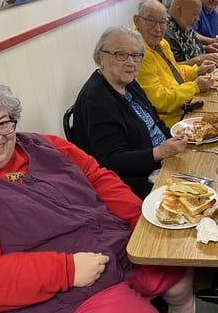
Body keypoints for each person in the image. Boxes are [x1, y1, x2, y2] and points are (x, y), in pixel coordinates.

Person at [0, 77, 218, 313]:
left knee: (175, 252)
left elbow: (99, 177)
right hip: (62, 294)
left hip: (114, 243)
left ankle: (183, 311)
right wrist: (66, 270)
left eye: (3, 124)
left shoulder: (45, 144)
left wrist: (140, 221)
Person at [73, 26, 188, 200]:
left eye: (136, 56)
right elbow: (112, 161)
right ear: (101, 57)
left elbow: (156, 122)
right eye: (121, 55)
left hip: (163, 161)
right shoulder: (95, 100)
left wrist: (176, 137)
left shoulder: (129, 83)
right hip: (133, 181)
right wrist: (158, 153)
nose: (130, 63)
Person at [134, 0, 216, 128]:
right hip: (167, 124)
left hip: (183, 108)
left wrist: (197, 70)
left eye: (162, 22)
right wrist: (194, 87)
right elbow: (159, 100)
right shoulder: (137, 53)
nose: (158, 29)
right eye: (151, 21)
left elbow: (175, 72)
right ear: (137, 21)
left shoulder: (161, 43)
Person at [164, 0, 218, 65]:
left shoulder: (184, 23)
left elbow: (190, 48)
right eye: (194, 14)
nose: (197, 18)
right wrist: (198, 60)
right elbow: (172, 68)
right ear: (179, 10)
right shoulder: (167, 32)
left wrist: (205, 48)